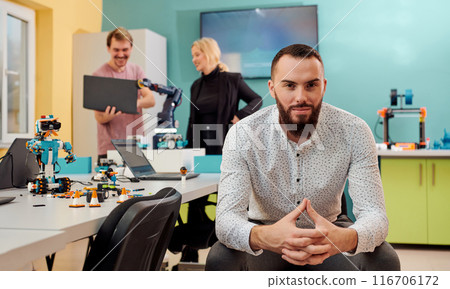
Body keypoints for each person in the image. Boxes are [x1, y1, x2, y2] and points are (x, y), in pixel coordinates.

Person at [206, 44, 400, 271]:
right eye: (289, 85)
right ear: (272, 88)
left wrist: (343, 238)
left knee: (385, 258)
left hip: (330, 233)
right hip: (266, 235)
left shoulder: (354, 130)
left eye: (311, 85)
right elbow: (226, 220)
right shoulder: (243, 134)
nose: (301, 97)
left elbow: (375, 215)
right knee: (220, 258)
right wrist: (265, 236)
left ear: (323, 86)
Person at [186, 37, 262, 155]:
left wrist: (240, 115)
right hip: (200, 146)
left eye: (197, 55)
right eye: (192, 56)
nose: (193, 59)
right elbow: (192, 120)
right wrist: (189, 151)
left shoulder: (232, 80)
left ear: (209, 53)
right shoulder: (195, 86)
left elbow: (257, 100)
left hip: (225, 144)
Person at [93, 27, 155, 162]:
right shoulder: (99, 75)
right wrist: (108, 116)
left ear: (131, 49)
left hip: (135, 146)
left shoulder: (136, 71)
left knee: (141, 183)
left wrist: (131, 103)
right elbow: (98, 117)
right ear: (108, 49)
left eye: (125, 50)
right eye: (116, 50)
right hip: (109, 149)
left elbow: (150, 99)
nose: (121, 54)